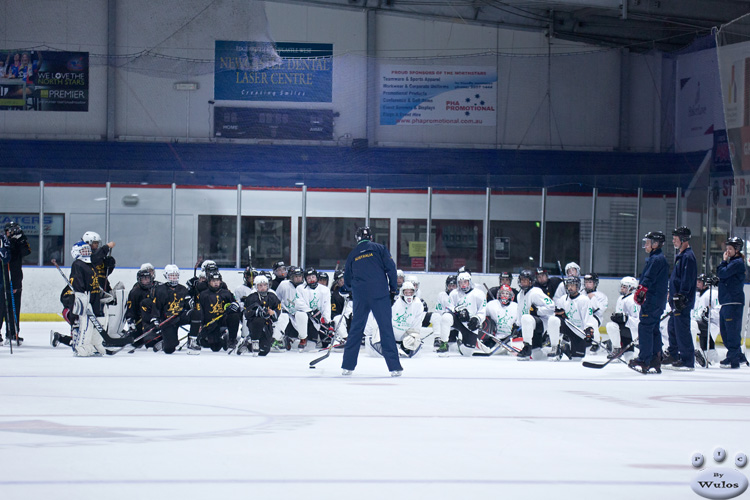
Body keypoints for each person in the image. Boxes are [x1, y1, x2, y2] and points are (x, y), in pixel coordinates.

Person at [341, 226, 403, 376]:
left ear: (357, 239)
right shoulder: (380, 248)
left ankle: (347, 366)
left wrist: (347, 290)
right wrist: (393, 289)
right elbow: (391, 269)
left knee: (356, 329)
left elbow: (347, 279)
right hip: (379, 294)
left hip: (360, 296)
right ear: (371, 237)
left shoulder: (353, 254)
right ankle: (394, 367)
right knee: (385, 329)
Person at [629, 231, 669, 374]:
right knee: (653, 329)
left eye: (648, 242)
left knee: (645, 328)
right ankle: (655, 360)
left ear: (656, 244)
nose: (645, 244)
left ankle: (644, 360)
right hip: (658, 301)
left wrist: (641, 291)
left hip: (652, 300)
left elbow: (648, 278)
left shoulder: (656, 259)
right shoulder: (658, 258)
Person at [663, 226, 697, 371]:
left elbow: (687, 279)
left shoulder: (688, 257)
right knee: (672, 327)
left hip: (682, 301)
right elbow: (676, 278)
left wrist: (681, 295)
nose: (673, 241)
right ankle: (673, 354)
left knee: (682, 329)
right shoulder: (681, 256)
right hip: (676, 300)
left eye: (676, 239)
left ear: (683, 239)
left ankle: (688, 360)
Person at [365, 281, 425, 358]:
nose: (409, 294)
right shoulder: (394, 302)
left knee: (414, 341)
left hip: (404, 335)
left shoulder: (418, 304)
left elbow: (417, 323)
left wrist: (413, 336)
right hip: (389, 333)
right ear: (402, 293)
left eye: (411, 292)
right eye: (406, 292)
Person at [67, 240, 107, 357]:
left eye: (87, 250)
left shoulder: (90, 264)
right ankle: (81, 346)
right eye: (83, 250)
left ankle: (94, 344)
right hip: (86, 297)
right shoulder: (77, 264)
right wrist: (82, 298)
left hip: (95, 296)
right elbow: (78, 283)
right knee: (87, 322)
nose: (87, 252)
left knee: (99, 321)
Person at [151, 265, 199, 354]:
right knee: (169, 349)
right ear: (166, 276)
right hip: (168, 320)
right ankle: (165, 342)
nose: (174, 278)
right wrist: (156, 319)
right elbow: (156, 306)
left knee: (196, 313)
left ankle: (192, 341)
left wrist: (190, 303)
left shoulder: (183, 289)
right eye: (171, 275)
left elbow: (187, 302)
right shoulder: (160, 290)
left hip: (180, 316)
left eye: (175, 275)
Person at [437, 272, 487, 356]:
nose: (463, 285)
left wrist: (477, 319)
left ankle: (460, 344)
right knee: (446, 317)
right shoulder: (454, 293)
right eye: (460, 282)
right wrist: (458, 312)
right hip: (458, 321)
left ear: (469, 282)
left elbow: (482, 311)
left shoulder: (479, 294)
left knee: (467, 352)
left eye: (465, 282)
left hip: (470, 324)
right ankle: (444, 343)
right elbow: (449, 308)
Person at [547, 277, 596, 361]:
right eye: (568, 285)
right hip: (567, 326)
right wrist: (559, 313)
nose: (570, 288)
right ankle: (555, 347)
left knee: (576, 358)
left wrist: (589, 329)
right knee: (553, 320)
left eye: (572, 285)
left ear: (578, 287)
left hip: (578, 331)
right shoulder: (563, 299)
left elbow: (588, 316)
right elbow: (556, 313)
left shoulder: (584, 300)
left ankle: (565, 347)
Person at [716, 236, 747, 369]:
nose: (727, 251)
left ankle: (734, 359)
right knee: (725, 332)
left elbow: (722, 273)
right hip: (727, 301)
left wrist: (723, 262)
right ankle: (737, 356)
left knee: (732, 332)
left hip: (733, 302)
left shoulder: (737, 263)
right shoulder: (732, 262)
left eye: (730, 249)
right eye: (726, 248)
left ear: (737, 249)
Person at [193, 268, 241, 353]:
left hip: (223, 319)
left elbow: (236, 304)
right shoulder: (204, 295)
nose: (216, 283)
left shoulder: (226, 293)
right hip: (210, 323)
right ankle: (223, 338)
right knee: (215, 347)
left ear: (220, 282)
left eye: (217, 280)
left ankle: (232, 340)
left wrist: (234, 306)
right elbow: (201, 311)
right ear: (209, 282)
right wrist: (201, 324)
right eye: (213, 280)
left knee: (234, 316)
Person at [514, 269, 556, 361]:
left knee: (526, 317)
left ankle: (527, 346)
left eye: (525, 280)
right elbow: (520, 311)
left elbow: (552, 306)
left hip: (541, 323)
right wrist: (517, 325)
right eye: (522, 280)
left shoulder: (536, 292)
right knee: (537, 355)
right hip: (529, 324)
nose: (523, 282)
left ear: (531, 281)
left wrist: (538, 311)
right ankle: (552, 351)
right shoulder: (520, 294)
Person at [0, 221, 30, 345]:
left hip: (16, 280)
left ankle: (13, 332)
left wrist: (20, 239)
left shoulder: (20, 241)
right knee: (1, 308)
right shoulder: (3, 242)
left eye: (13, 231)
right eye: (9, 231)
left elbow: (26, 252)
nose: (10, 233)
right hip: (2, 280)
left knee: (14, 308)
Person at [239, 275, 281, 356]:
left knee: (264, 351)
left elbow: (278, 308)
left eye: (265, 285)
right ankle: (254, 340)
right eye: (260, 285)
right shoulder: (251, 297)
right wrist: (256, 312)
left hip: (267, 324)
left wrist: (273, 312)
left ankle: (248, 344)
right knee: (259, 320)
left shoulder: (272, 296)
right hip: (254, 324)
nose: (263, 287)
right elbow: (246, 312)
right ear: (256, 286)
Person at [293, 267, 332, 351]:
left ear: (316, 277)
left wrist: (326, 320)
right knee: (300, 314)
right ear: (305, 279)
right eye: (309, 278)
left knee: (311, 347)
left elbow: (326, 306)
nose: (311, 280)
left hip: (317, 319)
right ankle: (303, 338)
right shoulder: (300, 289)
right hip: (305, 317)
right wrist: (310, 312)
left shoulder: (325, 290)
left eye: (313, 277)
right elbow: (298, 303)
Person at [605, 276, 640, 361]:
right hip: (624, 332)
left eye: (624, 287)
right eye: (621, 286)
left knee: (611, 326)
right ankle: (617, 347)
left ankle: (618, 349)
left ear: (631, 288)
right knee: (629, 358)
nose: (621, 288)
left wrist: (625, 318)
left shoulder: (633, 300)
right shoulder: (620, 298)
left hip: (632, 333)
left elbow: (637, 321)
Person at [692, 274, 720, 367]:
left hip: (711, 324)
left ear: (705, 284)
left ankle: (696, 352)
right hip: (699, 322)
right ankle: (700, 353)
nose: (697, 284)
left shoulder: (713, 293)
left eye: (699, 282)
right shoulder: (696, 295)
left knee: (693, 327)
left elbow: (719, 310)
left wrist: (709, 314)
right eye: (697, 282)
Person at [482, 284, 519, 354]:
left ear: (511, 296)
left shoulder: (516, 307)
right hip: (494, 337)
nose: (504, 295)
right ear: (499, 294)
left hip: (509, 338)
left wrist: (516, 330)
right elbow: (483, 317)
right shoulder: (491, 305)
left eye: (507, 293)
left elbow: (519, 322)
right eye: (502, 293)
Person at [583, 272, 609, 351]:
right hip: (581, 316)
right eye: (586, 282)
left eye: (590, 282)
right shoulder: (580, 293)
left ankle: (596, 342)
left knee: (592, 320)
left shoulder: (601, 296)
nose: (587, 284)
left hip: (595, 318)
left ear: (595, 283)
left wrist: (593, 299)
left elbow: (600, 311)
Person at [432, 275, 457, 351]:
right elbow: (438, 311)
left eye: (454, 285)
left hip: (455, 323)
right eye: (450, 285)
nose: (452, 288)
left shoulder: (459, 295)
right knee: (436, 315)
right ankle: (438, 338)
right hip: (444, 323)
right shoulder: (441, 295)